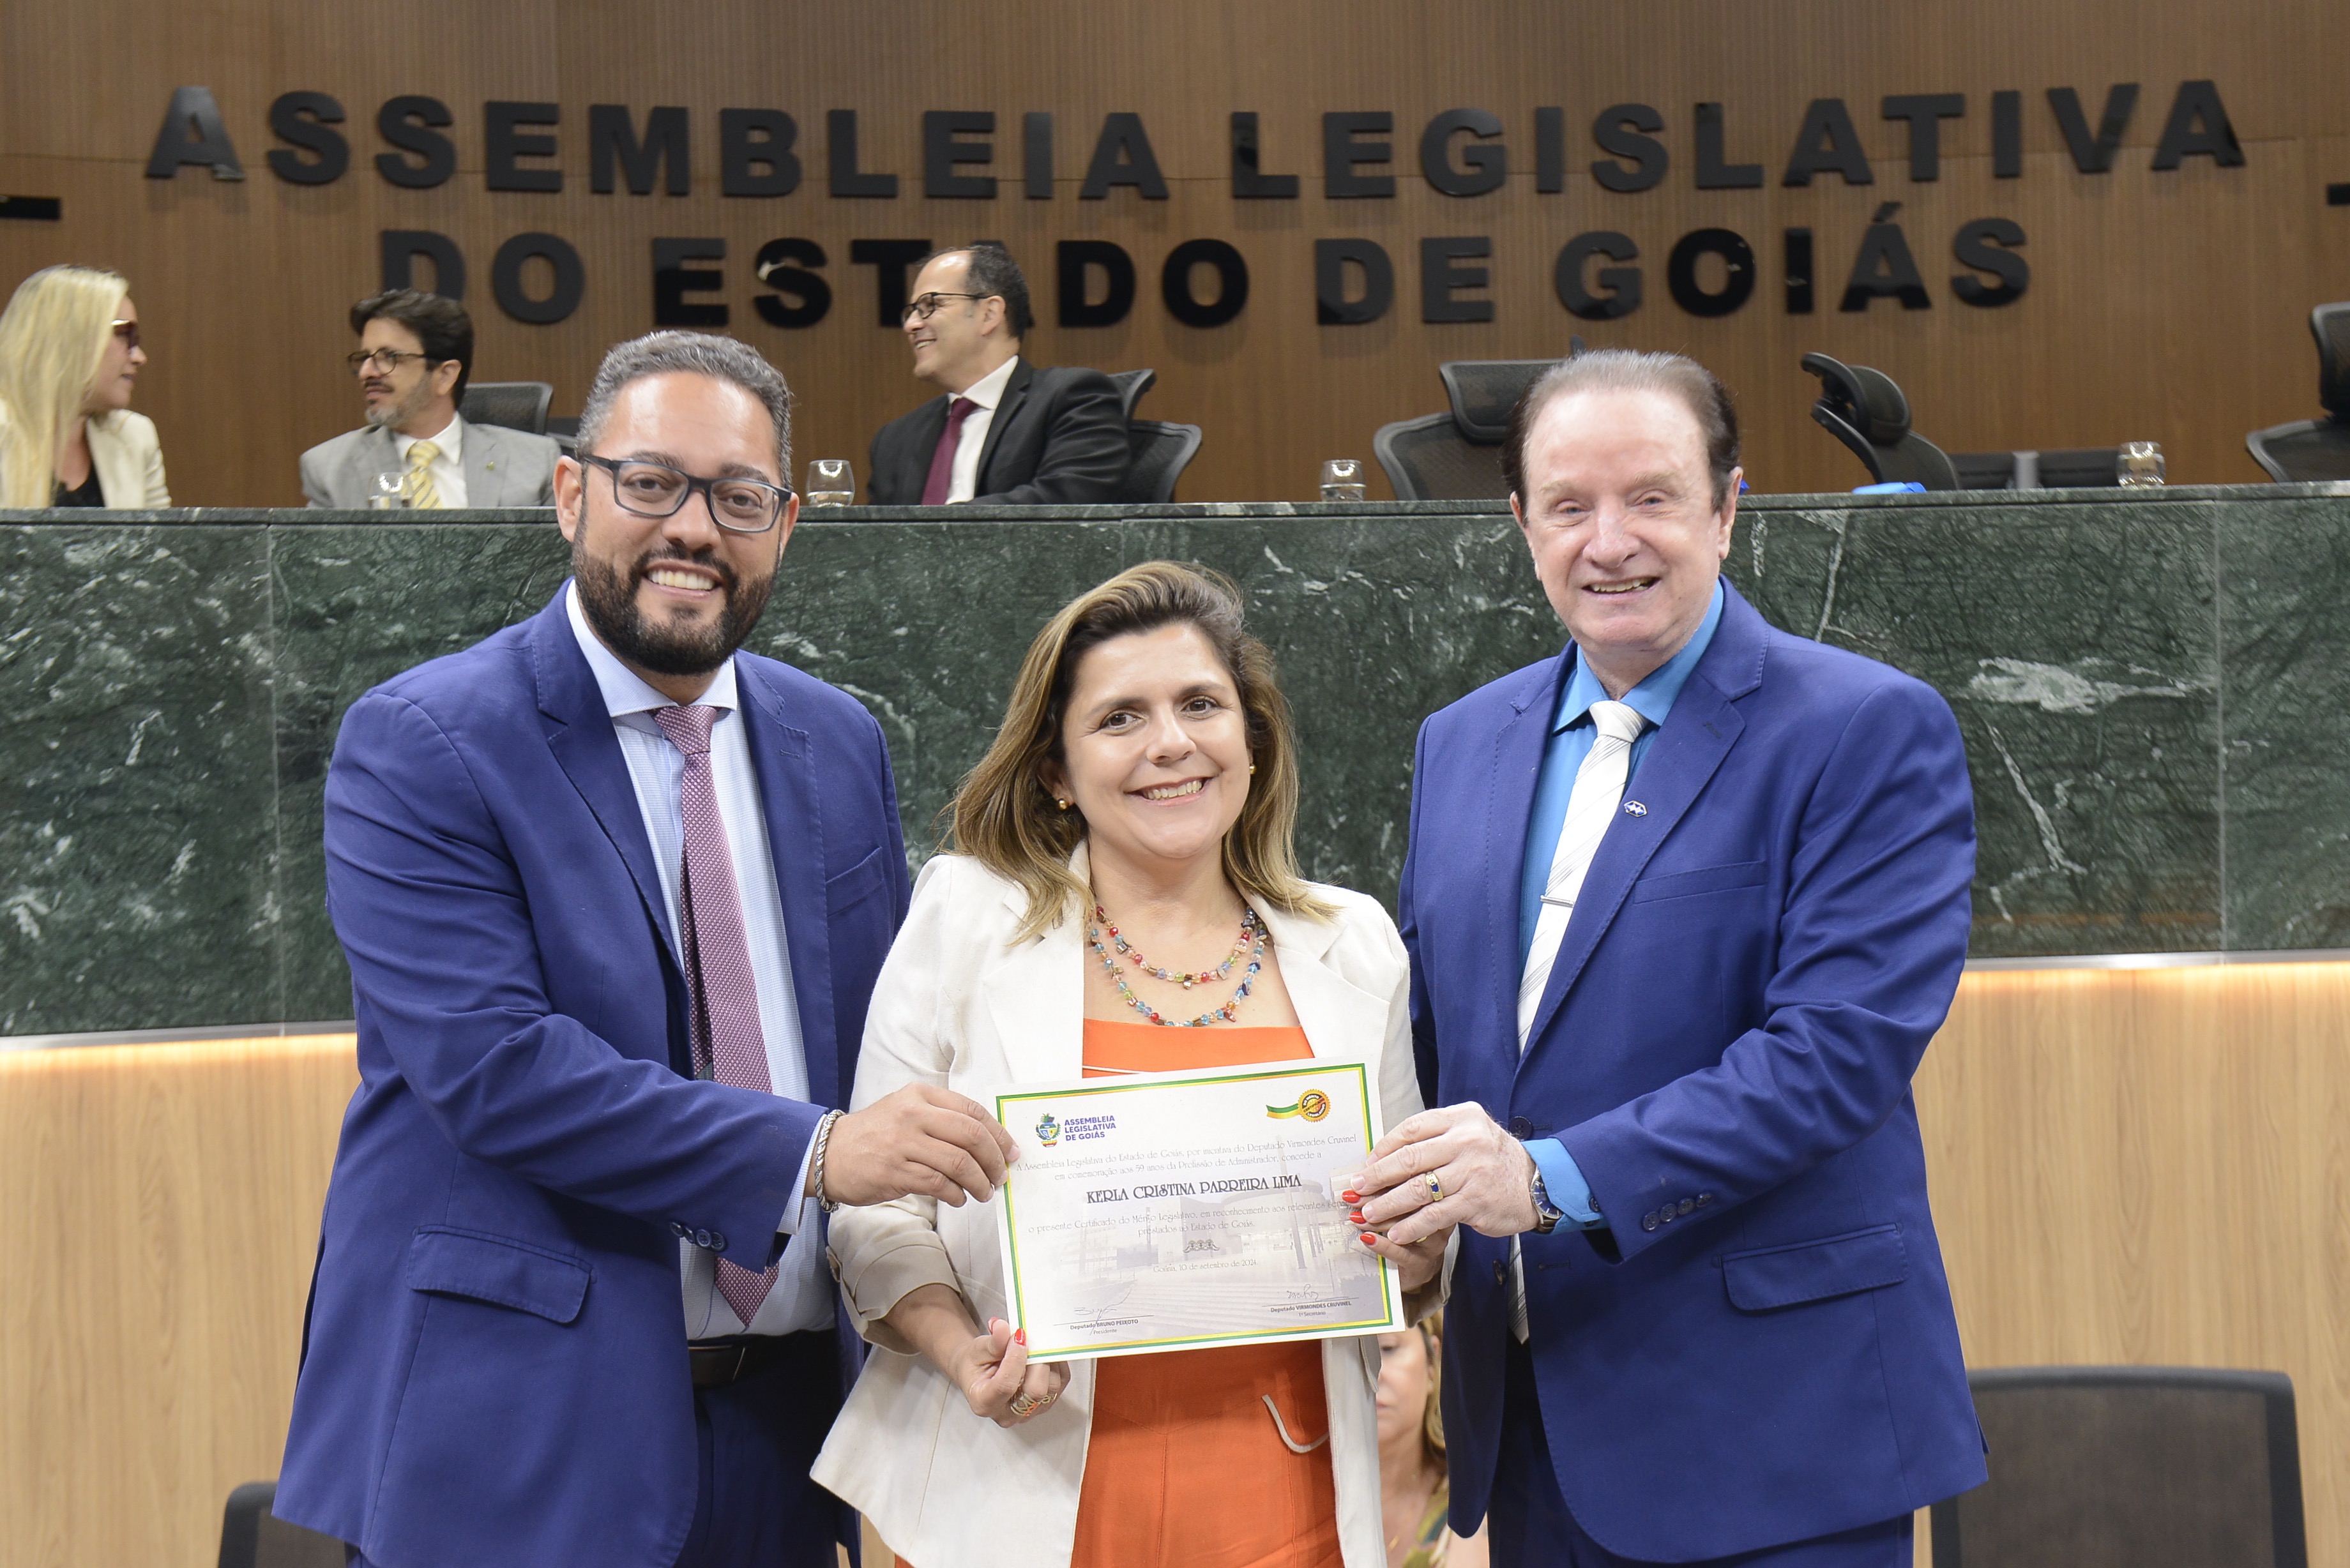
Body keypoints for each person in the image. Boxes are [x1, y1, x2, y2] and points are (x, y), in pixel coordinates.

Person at [272, 331, 1019, 1568]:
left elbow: (890, 1046)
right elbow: (496, 1070)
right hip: (515, 1438)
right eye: (653, 483)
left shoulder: (835, 740)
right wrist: (818, 1151)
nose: (693, 529)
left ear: (785, 524)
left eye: (739, 498)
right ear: (572, 491)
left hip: (791, 1437)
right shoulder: (425, 740)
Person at [1353, 350, 1985, 1567]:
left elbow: (1835, 1056)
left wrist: (1545, 1180)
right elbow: (1438, 1044)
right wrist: (1408, 1209)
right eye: (1569, 506)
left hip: (1773, 1434)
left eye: (1651, 497)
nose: (1610, 543)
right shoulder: (1461, 741)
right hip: (1529, 1428)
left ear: (1727, 508)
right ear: (1521, 524)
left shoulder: (1864, 727)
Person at [811, 562, 1449, 1568]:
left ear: (1251, 741)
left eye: (1201, 704)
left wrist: (1415, 1260)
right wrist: (959, 1347)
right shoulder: (966, 918)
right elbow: (876, 1214)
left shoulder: (1356, 944)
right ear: (1057, 773)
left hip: (1289, 1497)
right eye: (1119, 718)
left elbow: (1405, 1250)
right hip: (1021, 1487)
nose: (1170, 743)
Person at [865, 243, 1130, 505]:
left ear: (989, 314)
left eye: (931, 305)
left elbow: (1066, 502)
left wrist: (945, 524)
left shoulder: (1074, 398)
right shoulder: (895, 439)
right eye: (912, 311)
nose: (911, 325)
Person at [298, 288, 559, 508]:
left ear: (445, 375)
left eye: (390, 357)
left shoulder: (536, 463)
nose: (367, 372)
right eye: (365, 358)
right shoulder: (331, 470)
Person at [0, 264, 169, 508]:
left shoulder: (136, 437)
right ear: (69, 338)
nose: (140, 357)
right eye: (125, 335)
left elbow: (158, 533)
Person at [1376, 1315, 1487, 1568]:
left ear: (1432, 1361)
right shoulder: (1300, 1506)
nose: (1372, 1374)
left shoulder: (1474, 1501)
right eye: (1350, 1358)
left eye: (1388, 1348)